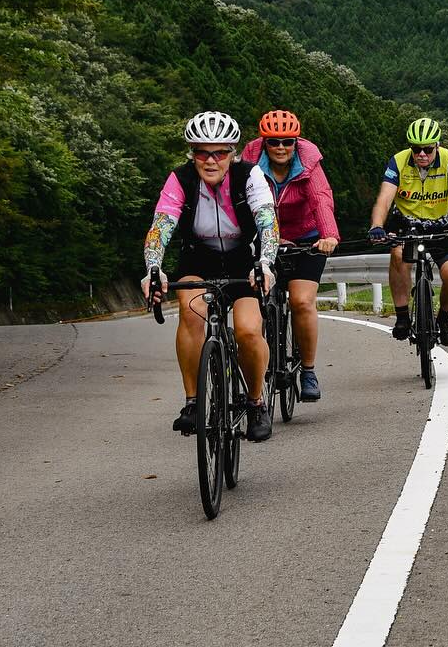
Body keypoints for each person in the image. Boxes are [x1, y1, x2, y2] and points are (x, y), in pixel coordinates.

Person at [143, 111, 279, 442]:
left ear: (232, 154)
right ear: (193, 154)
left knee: (248, 330)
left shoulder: (250, 176)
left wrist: (265, 262)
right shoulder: (181, 179)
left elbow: (267, 223)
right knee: (191, 317)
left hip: (241, 260)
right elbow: (160, 228)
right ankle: (192, 402)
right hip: (198, 258)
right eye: (202, 152)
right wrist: (153, 268)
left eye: (220, 152)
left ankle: (256, 401)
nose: (211, 160)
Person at [241, 110, 340, 403]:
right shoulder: (249, 162)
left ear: (296, 142)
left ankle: (308, 370)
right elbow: (240, 202)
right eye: (274, 142)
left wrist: (328, 235)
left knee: (301, 300)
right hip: (263, 239)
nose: (281, 148)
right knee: (255, 305)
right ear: (264, 142)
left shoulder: (308, 162)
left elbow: (321, 198)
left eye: (287, 141)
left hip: (306, 239)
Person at [367, 118, 448, 344]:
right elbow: (384, 199)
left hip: (442, 227)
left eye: (427, 149)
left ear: (437, 145)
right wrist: (377, 226)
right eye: (416, 149)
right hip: (407, 226)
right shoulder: (398, 162)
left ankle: (444, 321)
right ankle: (402, 318)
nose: (422, 154)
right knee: (398, 256)